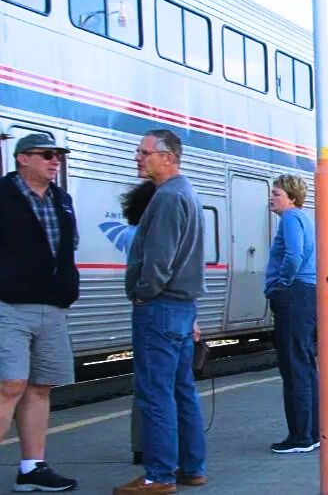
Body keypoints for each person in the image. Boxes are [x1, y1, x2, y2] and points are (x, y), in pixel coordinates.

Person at [116, 129, 208, 494]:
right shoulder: (186, 193)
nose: (137, 158)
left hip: (160, 307)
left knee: (155, 393)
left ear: (168, 157)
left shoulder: (168, 198)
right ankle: (192, 467)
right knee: (182, 389)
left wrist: (143, 293)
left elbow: (159, 260)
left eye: (144, 152)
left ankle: (158, 475)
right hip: (182, 308)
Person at [0, 134, 80, 492]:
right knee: (9, 384)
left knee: (40, 387)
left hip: (53, 306)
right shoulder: (3, 197)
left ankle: (32, 468)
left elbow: (68, 246)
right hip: (9, 306)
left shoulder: (63, 201)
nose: (55, 161)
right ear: (22, 159)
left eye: (58, 156)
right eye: (47, 155)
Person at [265, 175, 319, 454]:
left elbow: (294, 256)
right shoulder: (304, 219)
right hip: (306, 294)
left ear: (291, 197)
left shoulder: (289, 219)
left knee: (293, 365)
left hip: (293, 295)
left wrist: (279, 284)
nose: (271, 197)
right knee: (305, 363)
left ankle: (300, 436)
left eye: (276, 193)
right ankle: (312, 430)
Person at [120, 180, 156, 468]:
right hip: (153, 309)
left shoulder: (132, 231)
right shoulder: (145, 233)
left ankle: (140, 445)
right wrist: (143, 294)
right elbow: (144, 270)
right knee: (154, 381)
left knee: (143, 378)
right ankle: (149, 446)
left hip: (143, 309)